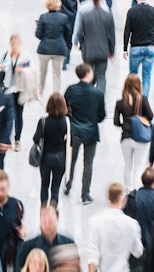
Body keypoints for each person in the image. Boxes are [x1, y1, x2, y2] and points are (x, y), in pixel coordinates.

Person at [63, 63, 105, 205]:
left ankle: (68, 186)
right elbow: (101, 116)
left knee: (71, 160)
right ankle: (85, 194)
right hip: (91, 132)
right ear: (88, 73)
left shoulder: (71, 90)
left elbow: (64, 108)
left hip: (74, 131)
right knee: (88, 163)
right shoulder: (98, 93)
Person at [114, 74, 154, 193]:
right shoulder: (143, 99)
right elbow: (151, 116)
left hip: (126, 137)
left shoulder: (120, 102)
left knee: (128, 166)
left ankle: (128, 189)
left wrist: (125, 124)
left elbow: (116, 122)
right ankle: (136, 190)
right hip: (141, 138)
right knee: (139, 167)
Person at [32, 92, 70, 206]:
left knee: (44, 185)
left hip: (46, 158)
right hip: (60, 157)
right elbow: (69, 140)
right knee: (56, 187)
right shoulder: (66, 122)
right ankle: (53, 209)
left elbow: (35, 138)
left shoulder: (43, 121)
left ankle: (43, 209)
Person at [0, 35, 32, 153]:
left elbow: (31, 71)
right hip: (7, 88)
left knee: (18, 114)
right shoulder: (6, 54)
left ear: (20, 44)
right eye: (12, 44)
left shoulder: (25, 56)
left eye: (16, 44)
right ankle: (7, 138)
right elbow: (0, 67)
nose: (14, 47)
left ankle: (17, 139)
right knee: (8, 114)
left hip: (20, 88)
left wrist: (23, 70)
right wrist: (1, 67)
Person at [16, 204, 74, 271]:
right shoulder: (28, 246)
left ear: (57, 217)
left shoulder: (68, 243)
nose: (47, 223)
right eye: (43, 219)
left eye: (50, 219)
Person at [123, 0, 154, 98]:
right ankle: (143, 101)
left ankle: (132, 98)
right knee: (147, 76)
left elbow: (127, 31)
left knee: (133, 75)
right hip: (150, 47)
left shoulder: (132, 11)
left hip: (136, 47)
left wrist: (125, 48)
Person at [75, 0, 114, 93]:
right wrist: (111, 52)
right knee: (101, 76)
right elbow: (112, 36)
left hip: (88, 50)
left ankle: (88, 96)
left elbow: (79, 34)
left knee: (87, 75)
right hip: (103, 50)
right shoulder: (108, 16)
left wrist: (83, 44)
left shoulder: (86, 16)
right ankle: (100, 99)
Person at [36, 0, 71, 96]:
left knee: (42, 71)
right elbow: (68, 33)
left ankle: (41, 91)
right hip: (59, 48)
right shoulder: (64, 18)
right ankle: (56, 93)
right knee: (57, 73)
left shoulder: (43, 17)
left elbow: (38, 34)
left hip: (44, 48)